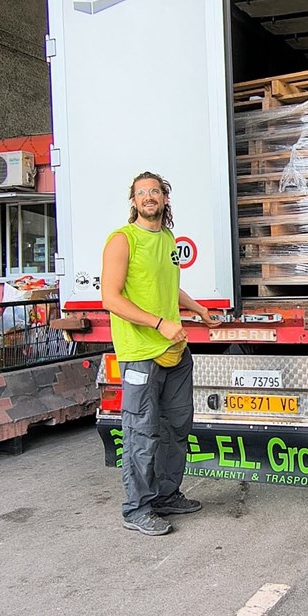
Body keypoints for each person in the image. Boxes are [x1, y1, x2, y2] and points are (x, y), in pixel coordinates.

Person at [102, 171, 221, 536]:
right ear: (134, 201)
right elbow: (111, 298)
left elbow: (170, 287)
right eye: (142, 193)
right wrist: (158, 324)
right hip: (141, 353)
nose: (148, 197)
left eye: (154, 191)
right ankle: (137, 508)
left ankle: (166, 495)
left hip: (175, 350)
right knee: (142, 432)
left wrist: (198, 309)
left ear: (165, 199)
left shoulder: (167, 238)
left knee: (175, 428)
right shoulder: (123, 241)